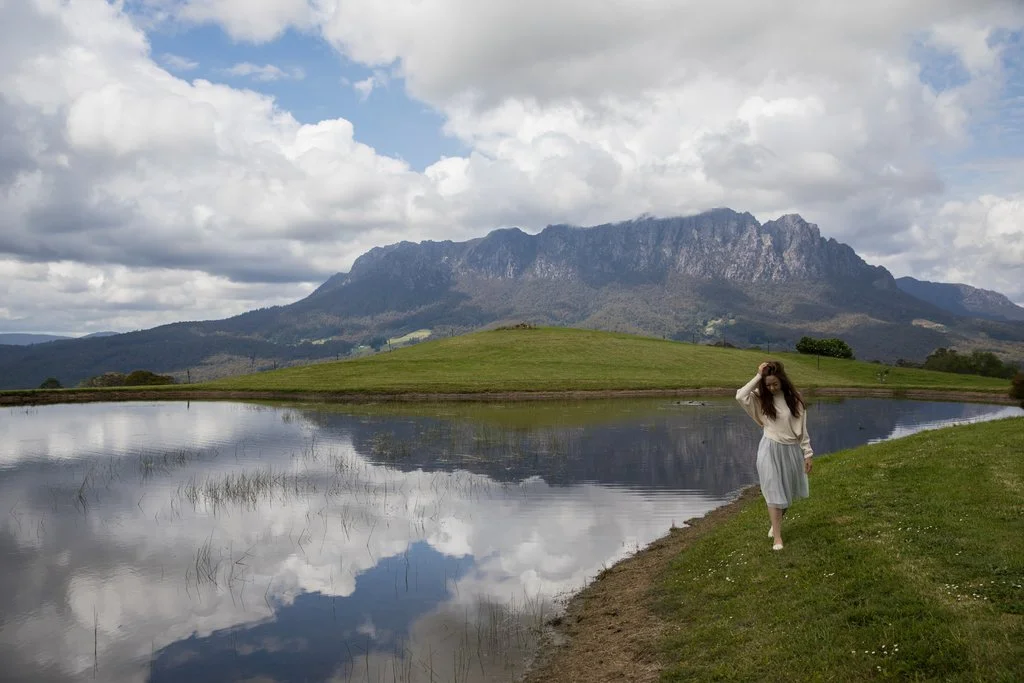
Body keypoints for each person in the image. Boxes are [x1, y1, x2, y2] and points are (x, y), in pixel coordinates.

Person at [735, 360, 813, 550]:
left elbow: (802, 430)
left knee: (786, 494)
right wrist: (758, 376)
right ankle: (777, 537)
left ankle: (775, 523)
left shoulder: (795, 399)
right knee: (773, 490)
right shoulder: (761, 397)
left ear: (782, 381)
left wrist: (807, 453)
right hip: (769, 449)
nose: (771, 388)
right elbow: (740, 395)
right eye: (767, 384)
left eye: (774, 384)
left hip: (791, 450)